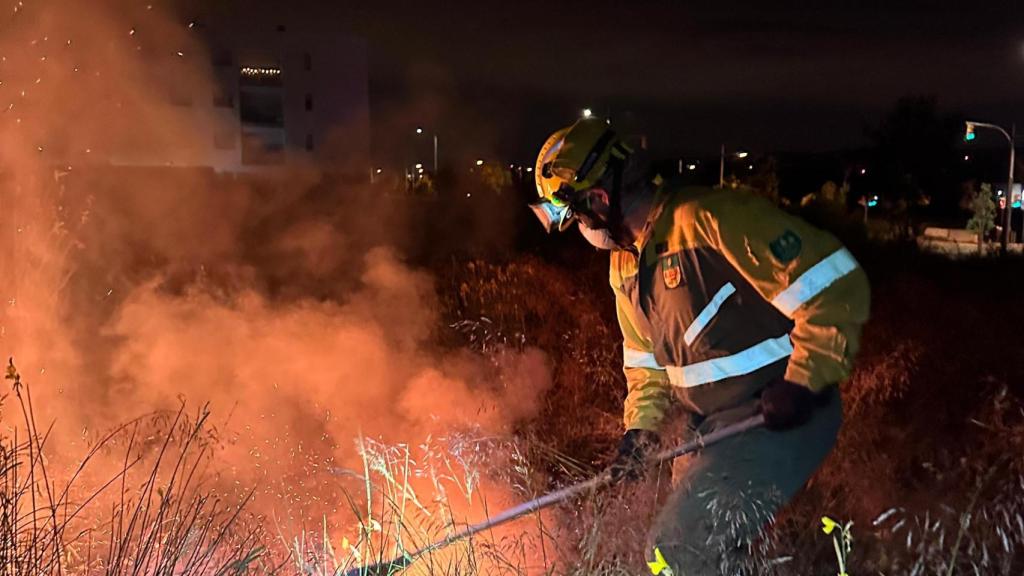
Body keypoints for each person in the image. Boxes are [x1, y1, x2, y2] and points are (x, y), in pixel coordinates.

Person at [529, 118, 870, 574]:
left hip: (774, 416)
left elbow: (834, 283)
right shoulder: (624, 267)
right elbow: (645, 364)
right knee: (708, 558)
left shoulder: (711, 219)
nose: (580, 229)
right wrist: (641, 433)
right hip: (706, 429)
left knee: (675, 553)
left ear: (599, 199)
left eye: (576, 217)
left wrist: (803, 384)